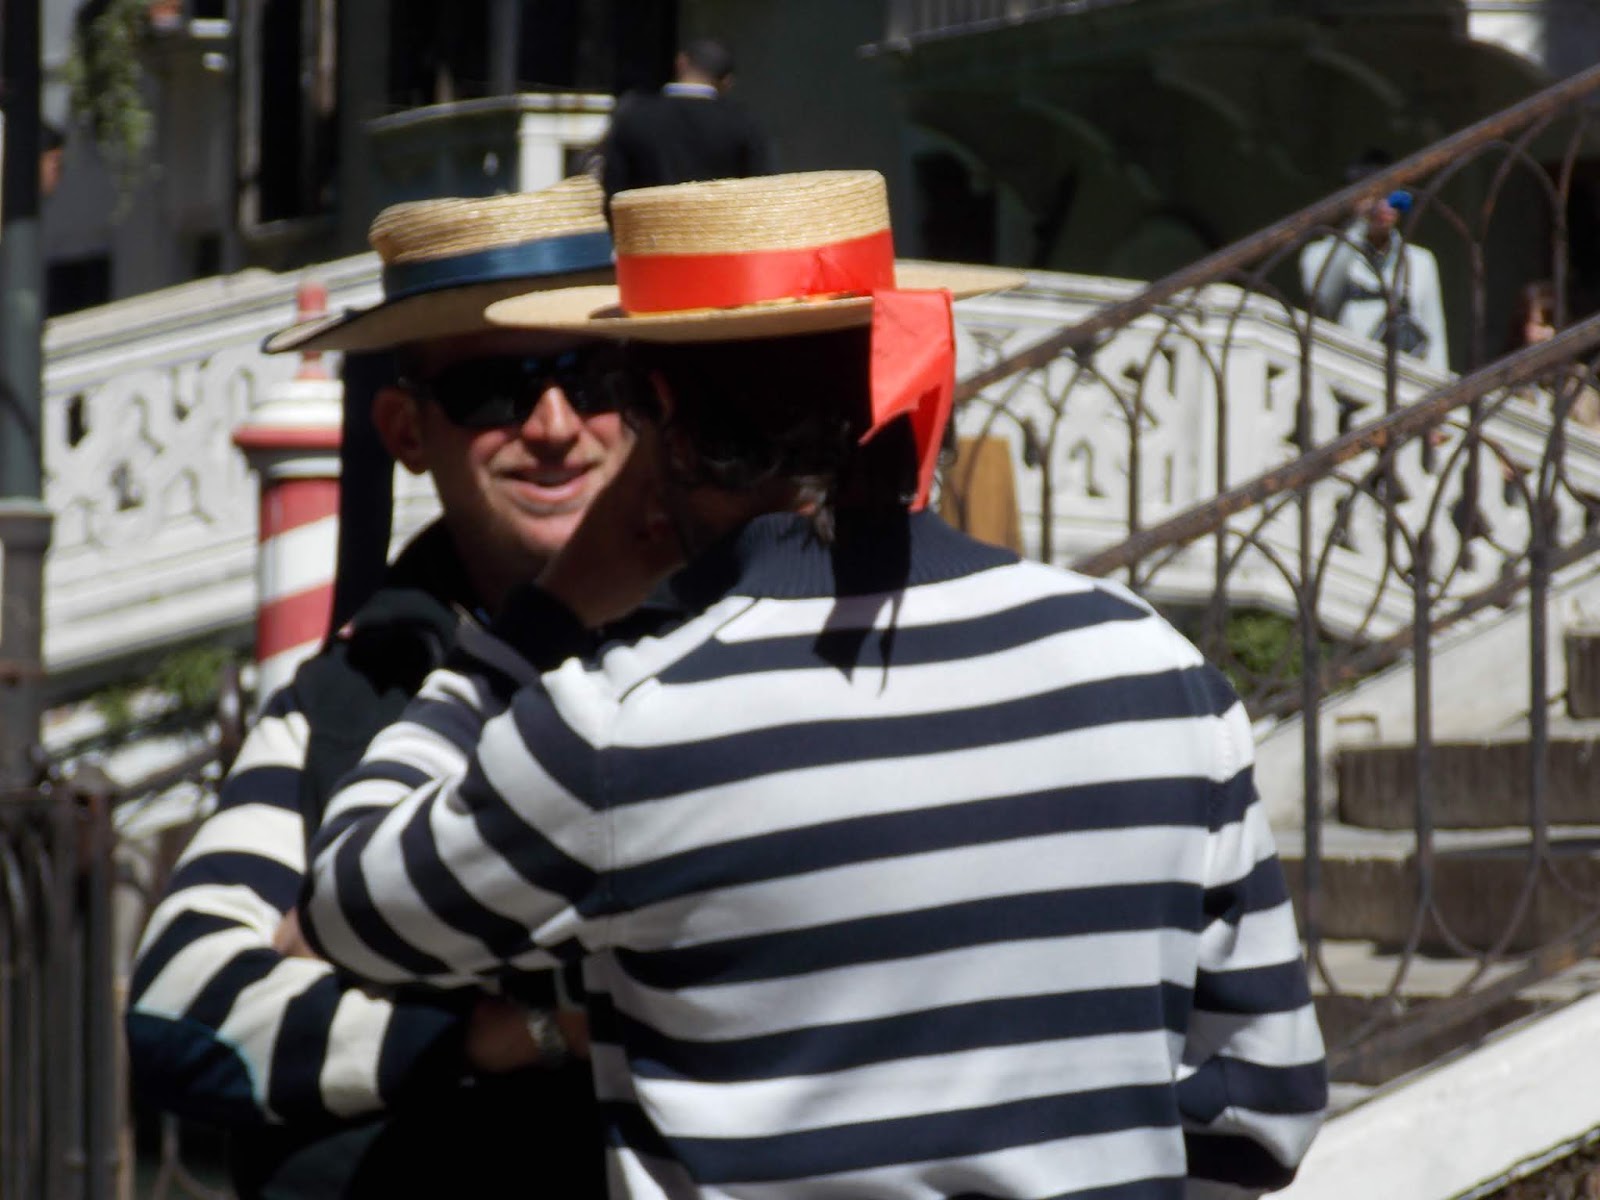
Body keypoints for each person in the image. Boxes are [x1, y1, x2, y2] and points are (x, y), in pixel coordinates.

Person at [299, 170, 1328, 1197]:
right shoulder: (1157, 671)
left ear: (657, 406)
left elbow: (354, 909)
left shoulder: (620, 729)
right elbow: (1262, 1106)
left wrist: (534, 625)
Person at [124, 176, 630, 1199]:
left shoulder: (738, 649)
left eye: (592, 376)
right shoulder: (339, 703)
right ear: (405, 432)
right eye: (496, 392)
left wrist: (345, 953)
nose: (554, 424)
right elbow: (185, 1008)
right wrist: (507, 1035)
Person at [1300, 150, 1449, 374]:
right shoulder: (1320, 254)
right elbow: (1323, 295)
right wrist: (1360, 221)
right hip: (1346, 380)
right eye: (1375, 194)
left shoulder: (1421, 261)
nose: (1384, 205)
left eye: (1392, 192)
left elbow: (1435, 338)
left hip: (1404, 384)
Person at [599, 37, 769, 202]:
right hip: (717, 228)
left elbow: (613, 189)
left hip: (648, 227)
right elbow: (757, 189)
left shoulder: (634, 115)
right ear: (727, 82)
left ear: (680, 62)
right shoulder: (743, 122)